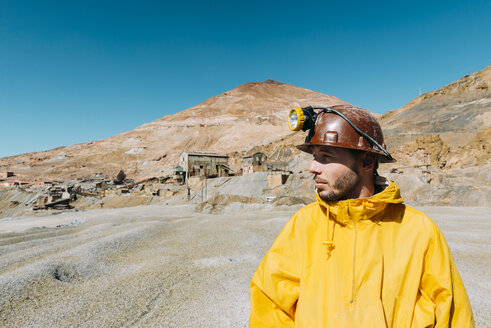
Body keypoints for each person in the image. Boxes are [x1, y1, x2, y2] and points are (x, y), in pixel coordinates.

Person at [249, 104, 474, 327]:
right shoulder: (304, 224)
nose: (313, 167)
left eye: (325, 156)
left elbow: (452, 315)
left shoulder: (419, 231)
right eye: (315, 156)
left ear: (366, 161)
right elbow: (270, 303)